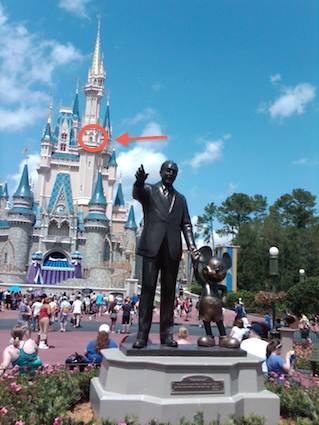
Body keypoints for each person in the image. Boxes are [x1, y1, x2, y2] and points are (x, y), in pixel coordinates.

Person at [132, 161, 197, 348]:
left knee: (169, 294)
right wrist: (138, 182)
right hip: (151, 248)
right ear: (160, 172)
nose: (170, 173)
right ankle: (142, 335)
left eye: (174, 172)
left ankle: (166, 335)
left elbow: (186, 224)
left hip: (172, 250)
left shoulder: (181, 198)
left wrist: (192, 246)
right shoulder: (149, 190)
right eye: (167, 170)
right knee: (147, 291)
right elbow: (137, 194)